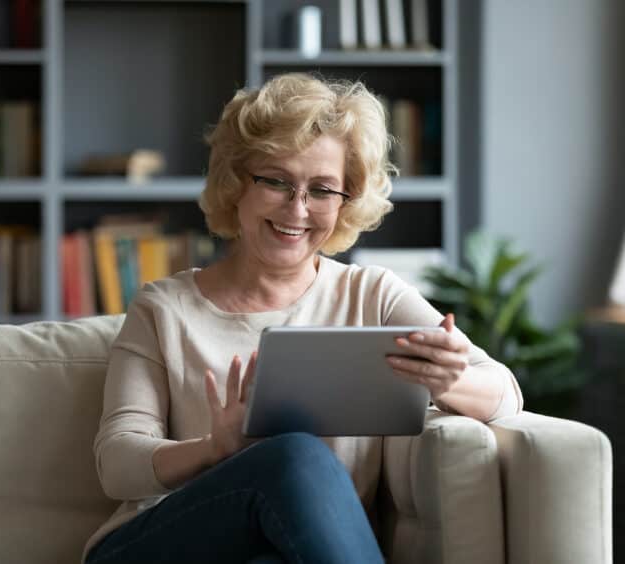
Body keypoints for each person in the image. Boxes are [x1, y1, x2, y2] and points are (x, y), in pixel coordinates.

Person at [83, 73, 523, 564]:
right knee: (294, 454)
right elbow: (117, 463)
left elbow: (504, 391)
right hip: (154, 548)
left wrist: (449, 380)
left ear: (346, 199)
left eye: (322, 190)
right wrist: (214, 449)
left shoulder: (370, 295)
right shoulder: (162, 308)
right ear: (236, 182)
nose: (298, 208)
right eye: (276, 181)